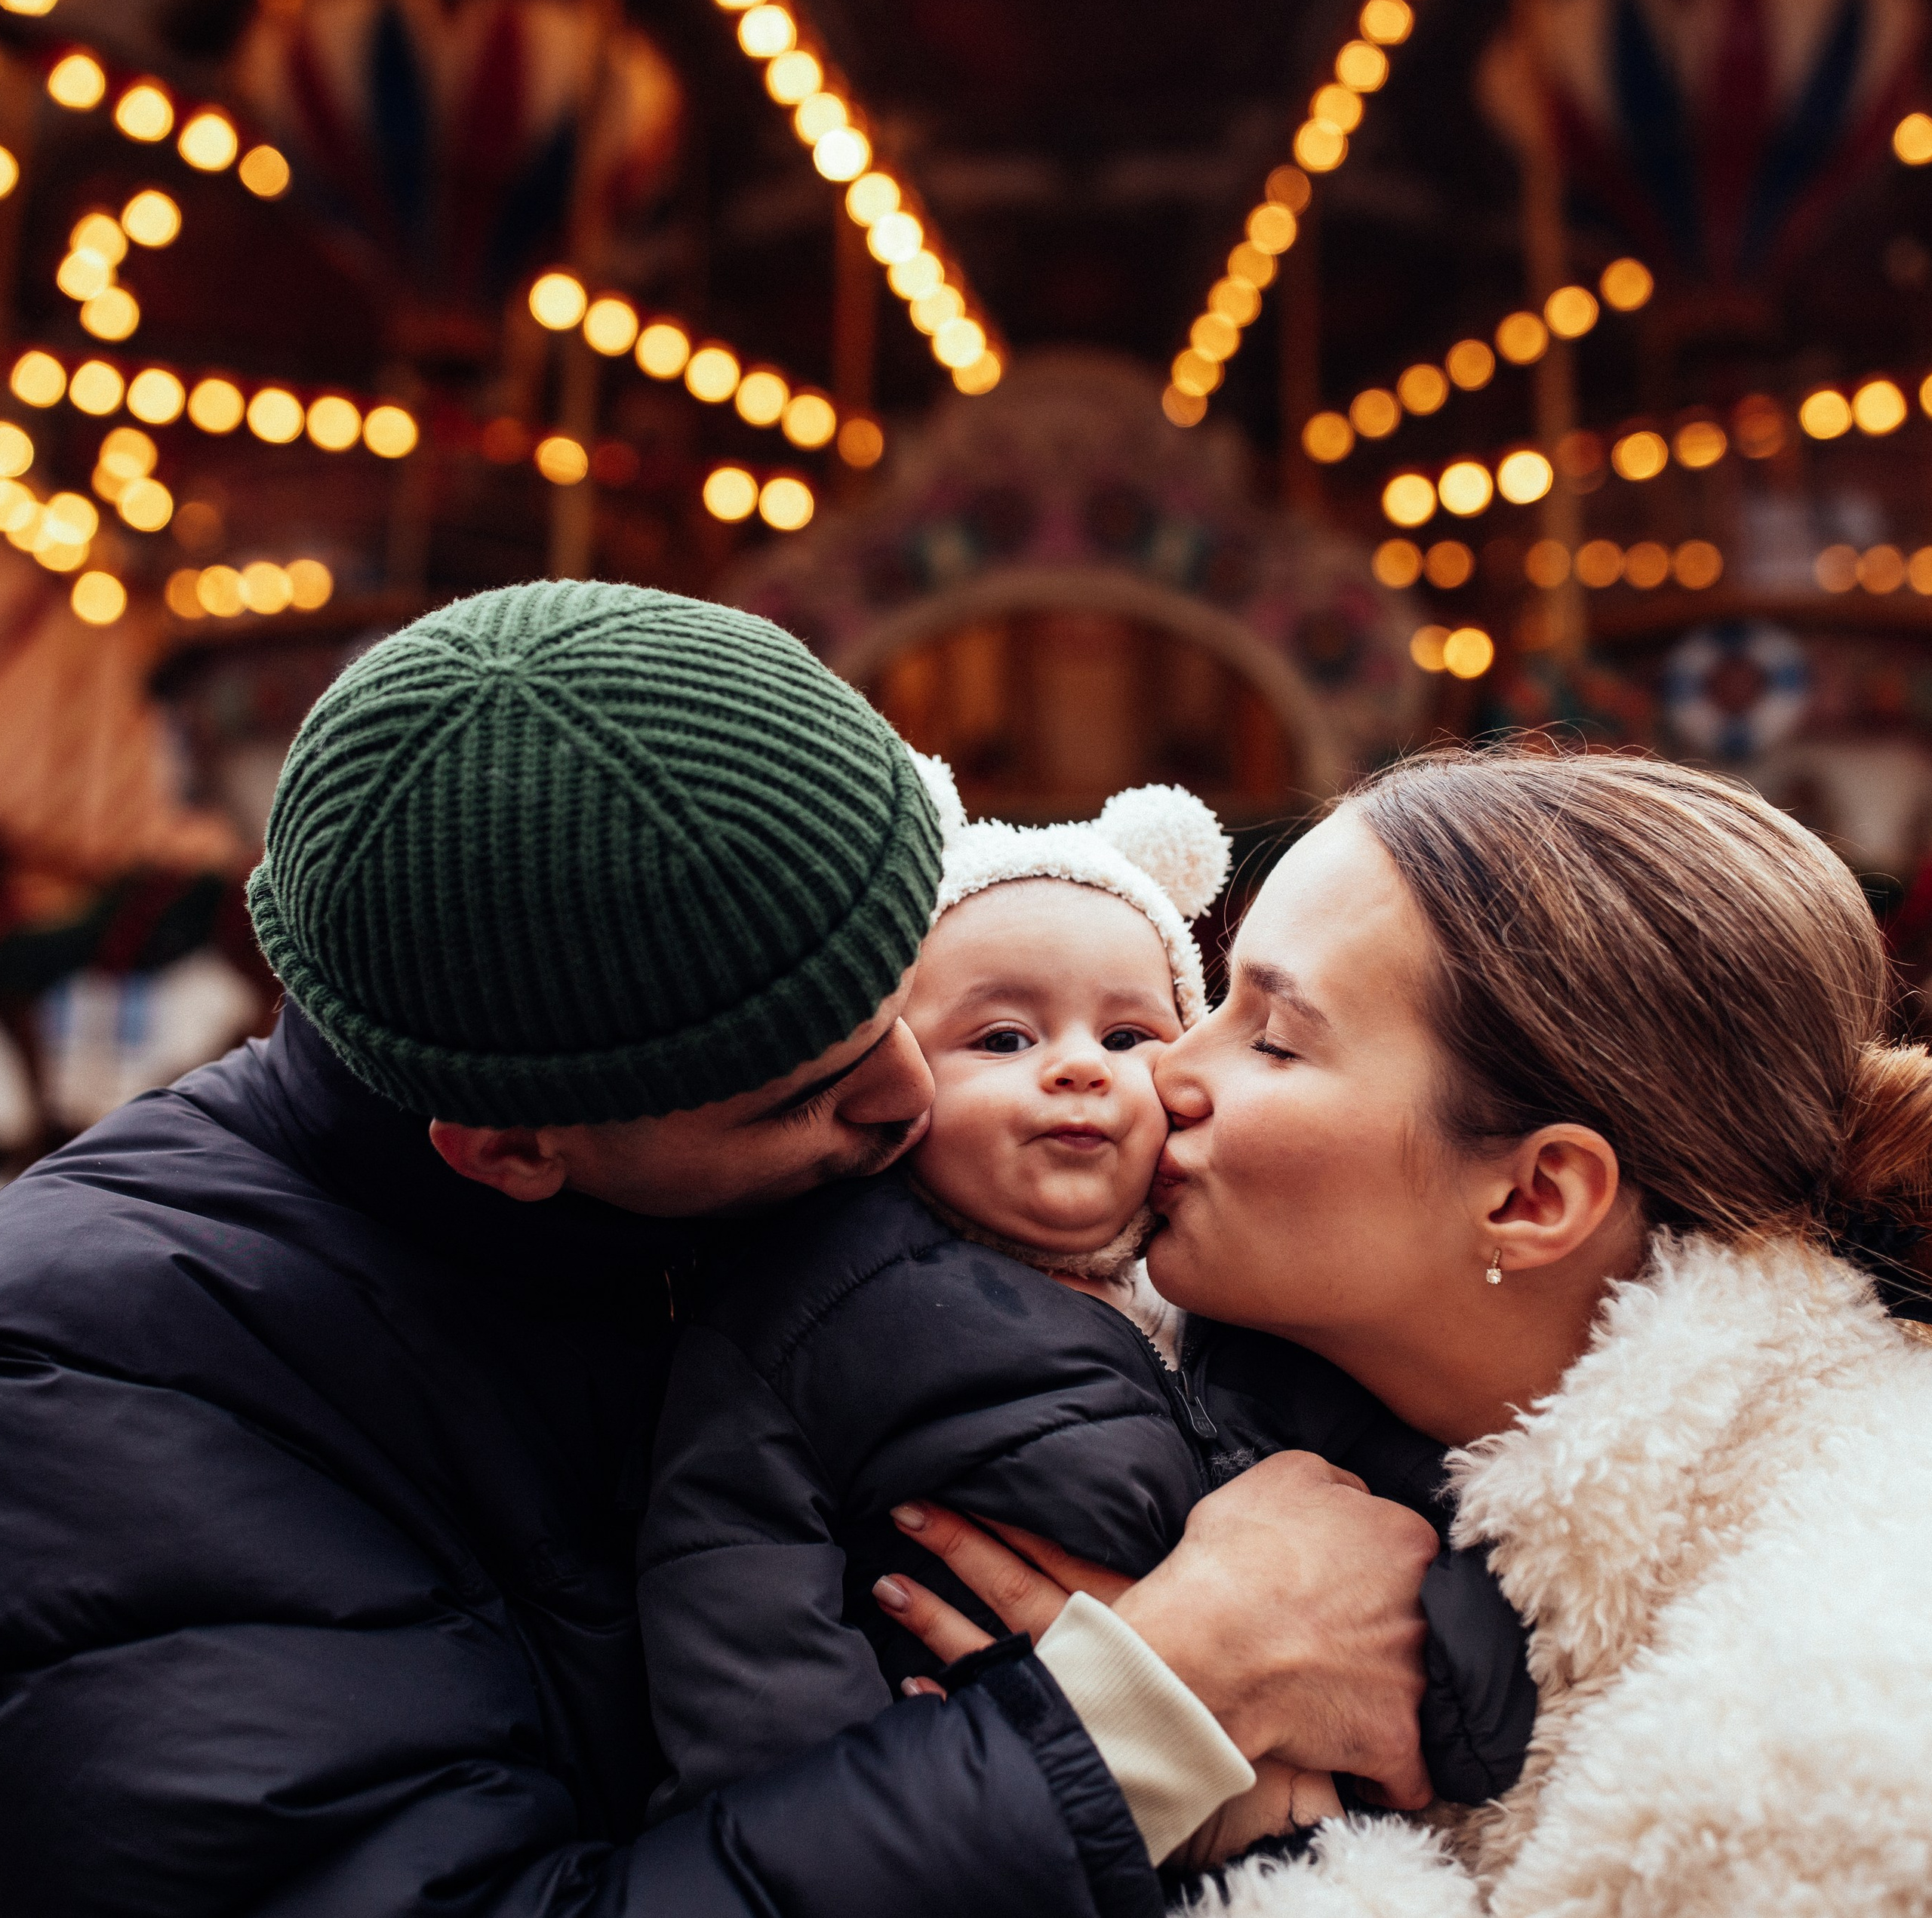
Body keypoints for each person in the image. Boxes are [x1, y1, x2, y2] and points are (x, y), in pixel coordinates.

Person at [0, 580, 1440, 1918]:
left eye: (904, 1007)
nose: (910, 1096)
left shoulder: (761, 1205)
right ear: (508, 1149)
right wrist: (1163, 1710)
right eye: (807, 1091)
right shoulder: (90, 1386)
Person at [880, 747, 1932, 1917]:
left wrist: (1232, 1824)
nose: (1165, 1066)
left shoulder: (1828, 1750)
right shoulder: (1143, 1359)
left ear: (1532, 1199)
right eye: (1215, 999)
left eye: (1273, 1038)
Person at [638, 765, 1534, 1849]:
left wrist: (1443, 1703)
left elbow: (1426, 1525)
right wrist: (912, 1795)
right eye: (1004, 1040)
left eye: (1128, 1038)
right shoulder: (807, 1309)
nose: (1077, 1069)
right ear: (897, 1075)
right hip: (1005, 1824)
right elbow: (746, 1631)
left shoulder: (1247, 1295)